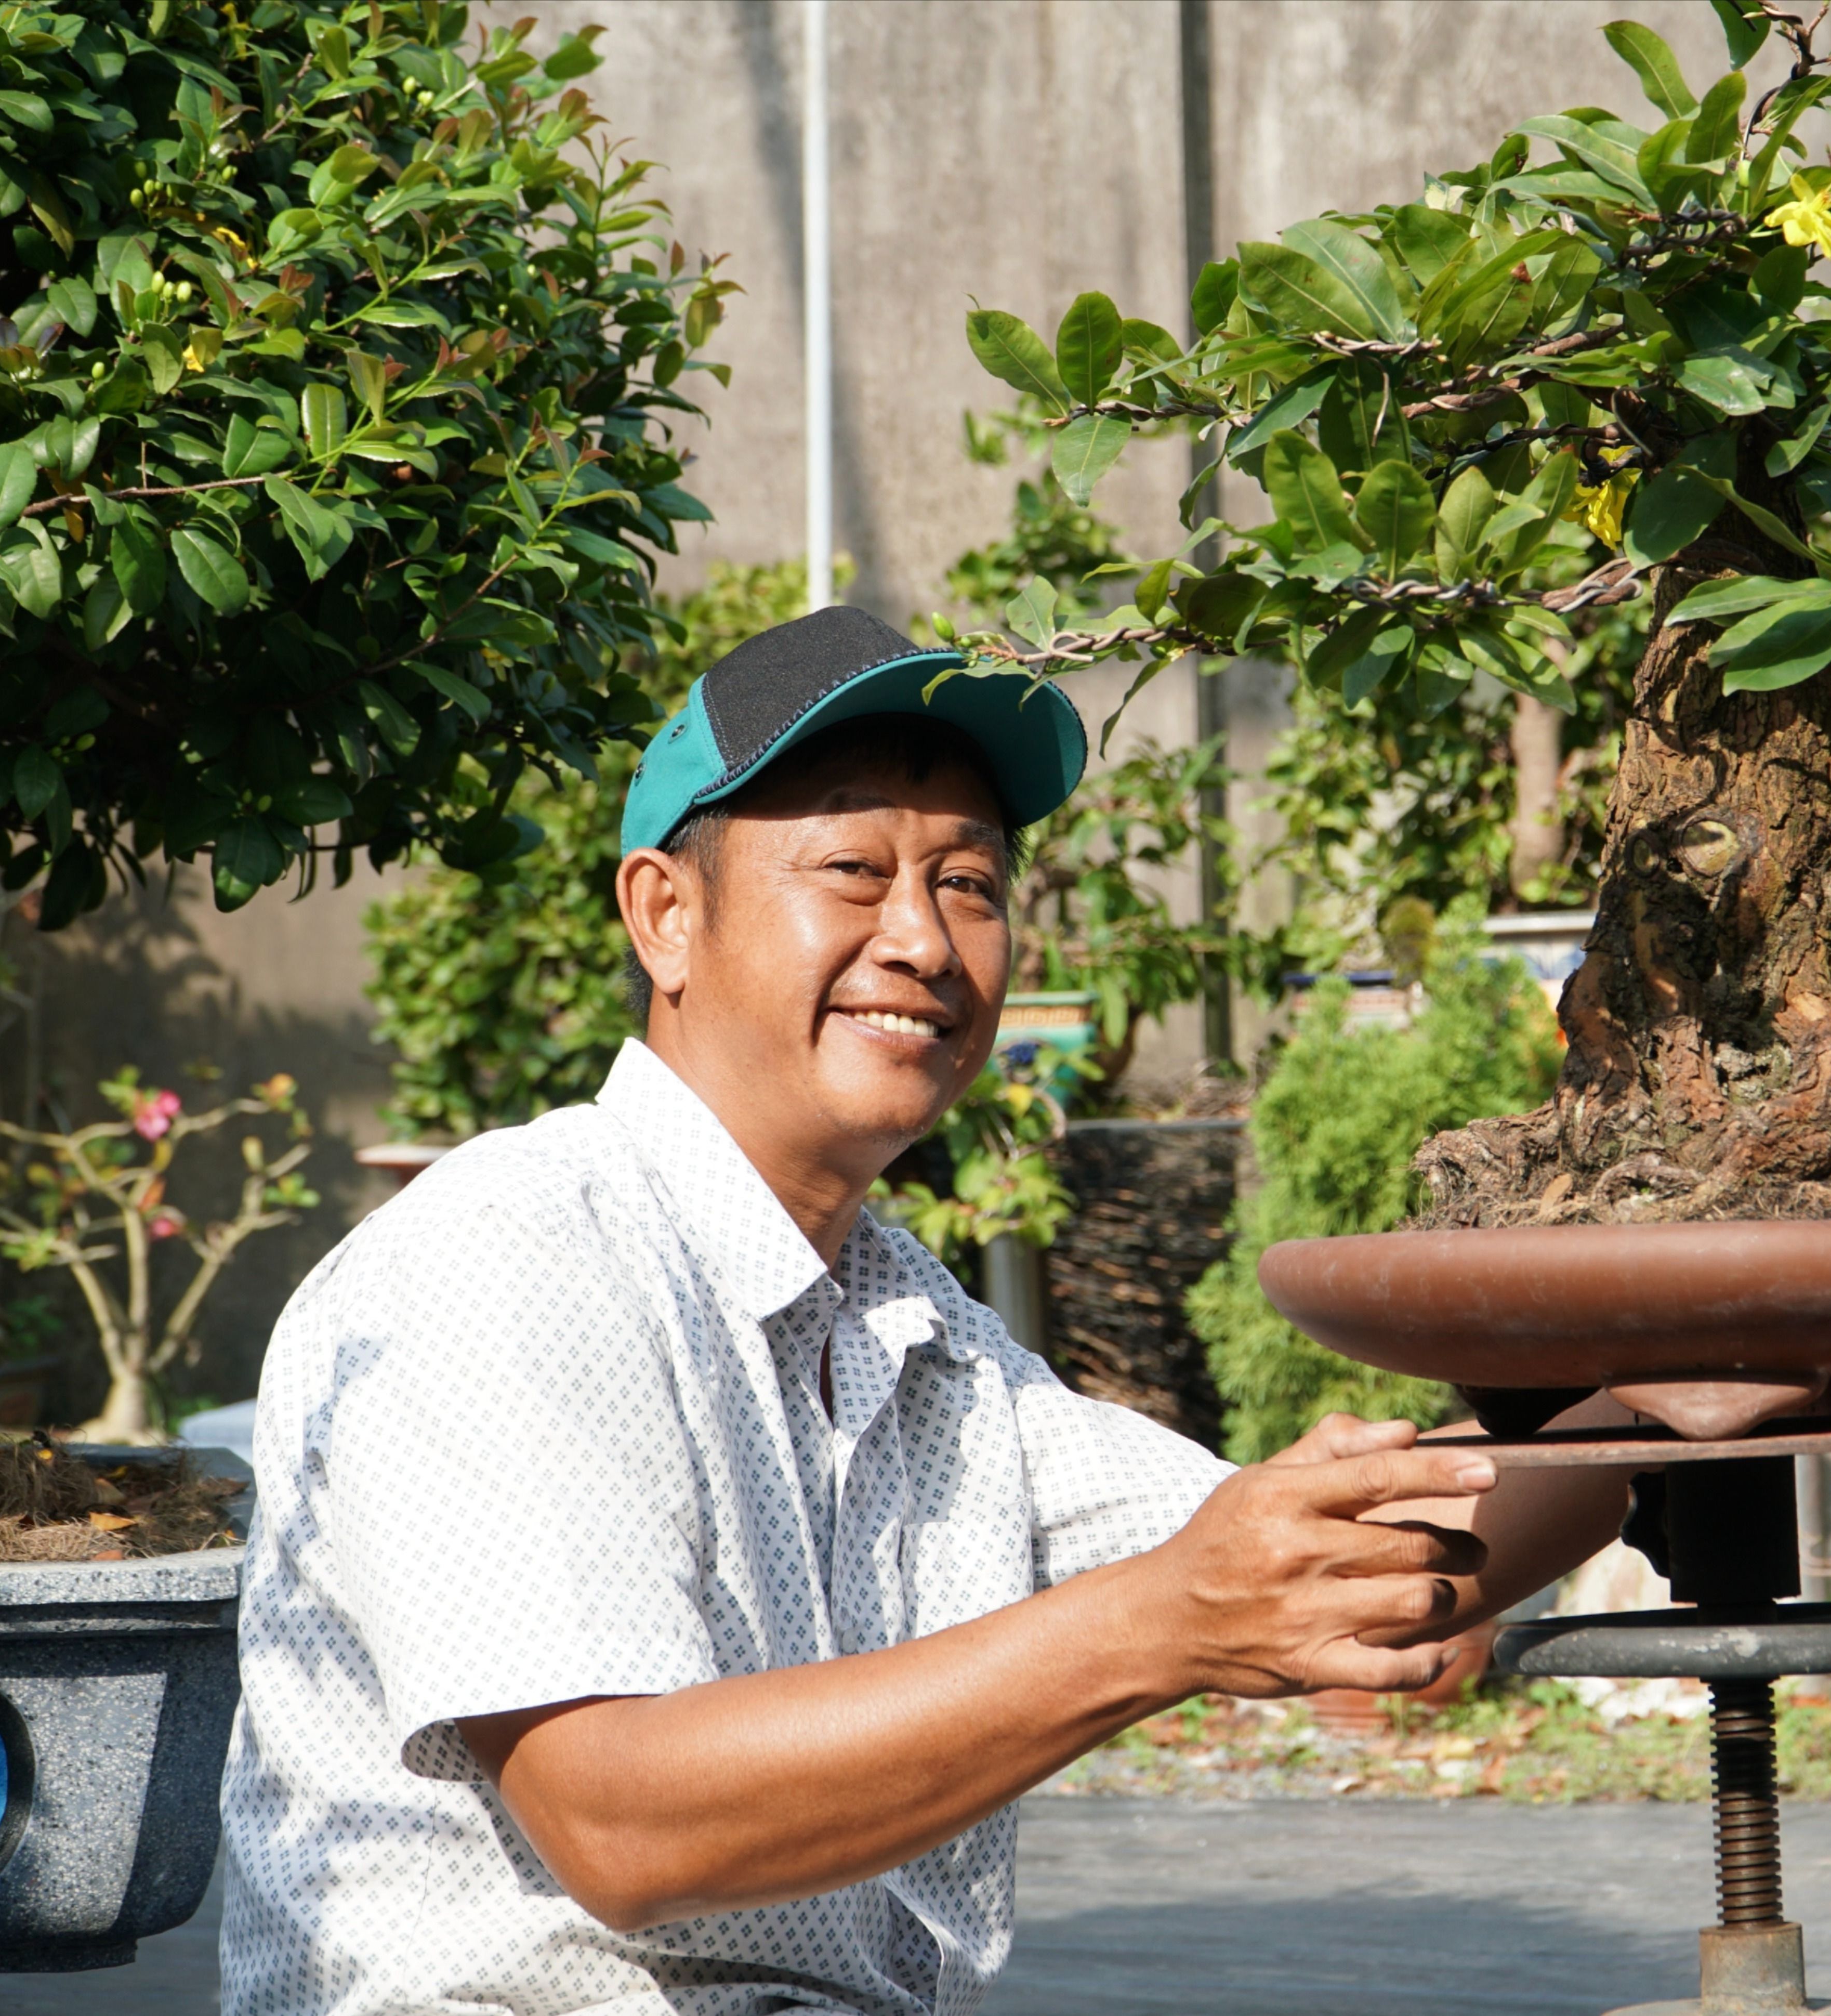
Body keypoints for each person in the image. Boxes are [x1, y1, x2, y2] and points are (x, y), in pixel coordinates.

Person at [219, 606, 1630, 2013]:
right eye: (852, 870)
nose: (925, 942)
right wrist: (1155, 1625)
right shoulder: (510, 1260)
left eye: (969, 884)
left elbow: (1344, 1571)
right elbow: (625, 1824)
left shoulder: (914, 1329)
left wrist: (1683, 1375)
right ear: (666, 917)